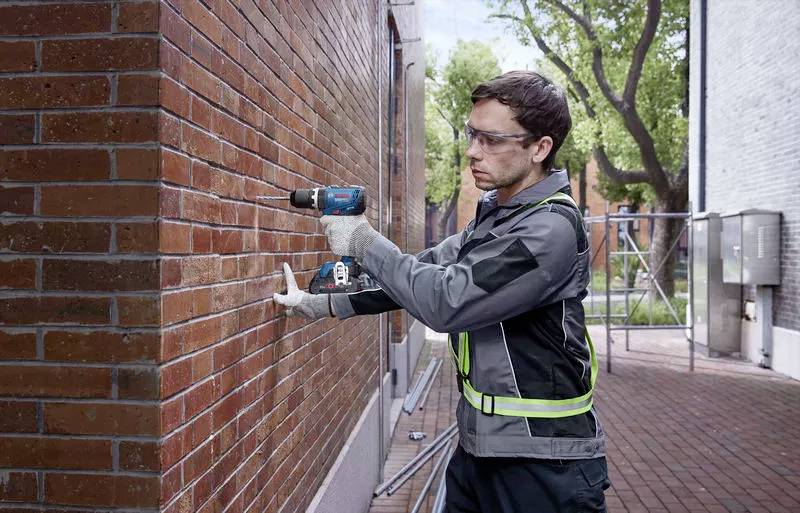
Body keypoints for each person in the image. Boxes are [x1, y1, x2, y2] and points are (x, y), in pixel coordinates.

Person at [274, 70, 610, 513]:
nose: (472, 151)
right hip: (480, 452)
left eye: (491, 140)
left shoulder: (549, 230)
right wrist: (322, 304)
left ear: (540, 148)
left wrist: (363, 242)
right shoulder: (496, 218)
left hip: (544, 465)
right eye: (473, 135)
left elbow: (447, 300)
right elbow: (420, 276)